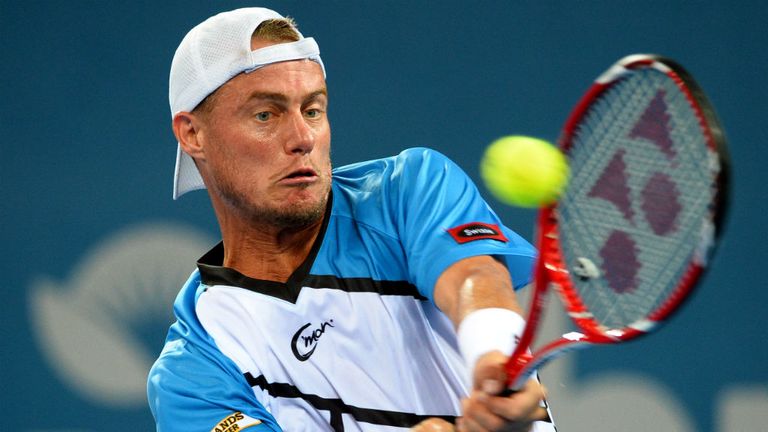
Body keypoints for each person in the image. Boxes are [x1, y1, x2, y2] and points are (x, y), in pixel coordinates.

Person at [147, 7, 556, 432]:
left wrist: (493, 356)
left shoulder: (405, 189)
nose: (303, 139)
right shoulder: (193, 373)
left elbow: (475, 277)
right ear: (193, 134)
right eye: (265, 114)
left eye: (313, 109)